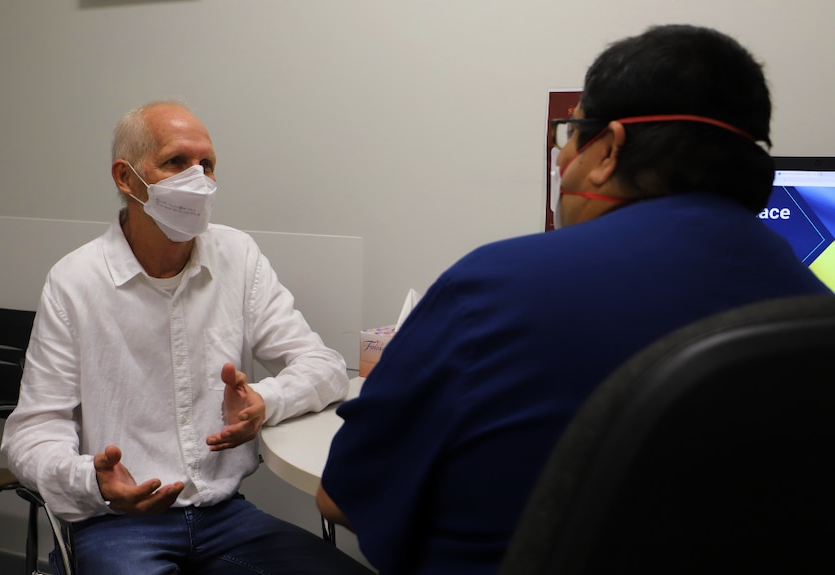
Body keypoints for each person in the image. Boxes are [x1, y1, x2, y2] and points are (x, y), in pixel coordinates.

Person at [316, 24, 833, 575]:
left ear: (608, 149)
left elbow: (341, 498)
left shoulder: (496, 286)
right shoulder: (812, 313)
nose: (562, 161)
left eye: (571, 137)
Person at [1, 100, 373, 575]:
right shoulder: (75, 281)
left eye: (207, 165)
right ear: (125, 177)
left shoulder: (235, 255)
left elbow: (321, 365)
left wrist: (264, 400)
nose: (197, 178)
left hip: (225, 515)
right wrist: (92, 481)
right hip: (116, 523)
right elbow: (31, 433)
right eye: (177, 162)